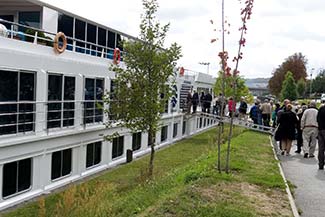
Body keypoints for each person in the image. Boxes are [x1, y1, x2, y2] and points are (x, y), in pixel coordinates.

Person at [318, 104, 325, 169]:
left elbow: (317, 119)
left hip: (321, 129)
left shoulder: (321, 109)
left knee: (321, 148)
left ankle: (321, 164)